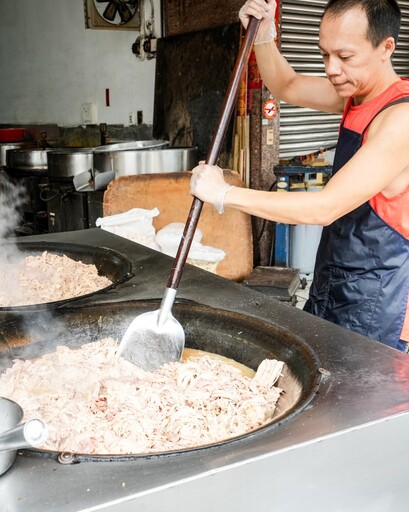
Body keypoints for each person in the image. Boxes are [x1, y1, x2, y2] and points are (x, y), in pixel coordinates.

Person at [190, 0, 409, 352]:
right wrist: (264, 36)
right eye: (324, 55)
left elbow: (325, 207)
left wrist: (225, 194)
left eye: (345, 57)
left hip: (379, 300)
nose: (333, 69)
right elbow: (288, 85)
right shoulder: (358, 96)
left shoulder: (400, 118)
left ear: (386, 47)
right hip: (336, 279)